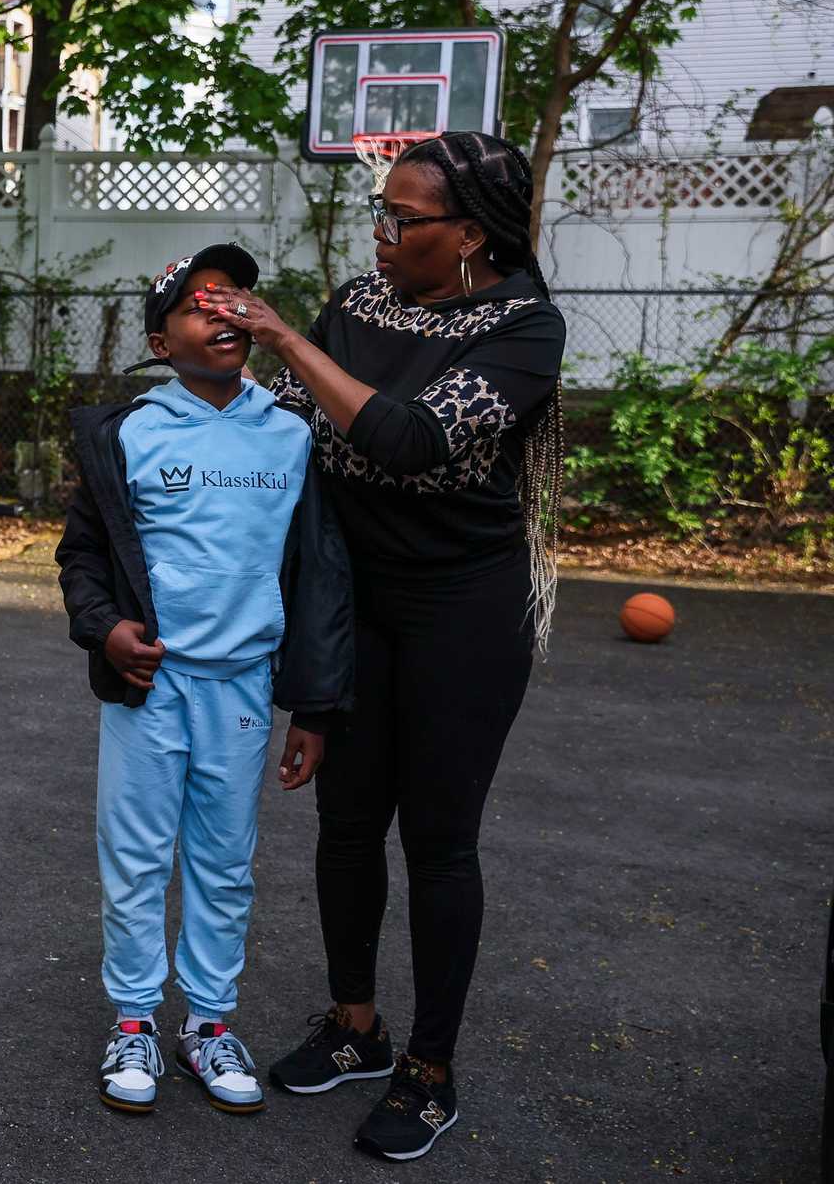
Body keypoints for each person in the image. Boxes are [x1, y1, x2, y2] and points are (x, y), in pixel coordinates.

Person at [203, 131, 566, 1162]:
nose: (382, 231)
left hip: (461, 606)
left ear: (468, 236)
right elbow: (292, 420)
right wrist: (180, 390)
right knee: (346, 821)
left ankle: (430, 1070)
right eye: (382, 209)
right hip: (350, 598)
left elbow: (405, 435)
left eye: (404, 220)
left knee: (439, 841)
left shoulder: (522, 326)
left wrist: (284, 339)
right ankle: (355, 1025)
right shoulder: (358, 305)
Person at [56, 243, 353, 1119]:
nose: (222, 315)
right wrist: (105, 629)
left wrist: (315, 702)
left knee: (225, 865)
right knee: (138, 858)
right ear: (159, 339)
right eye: (198, 304)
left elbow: (316, 575)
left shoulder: (291, 433)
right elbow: (82, 556)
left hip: (243, 690)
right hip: (151, 690)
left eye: (235, 300)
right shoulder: (126, 435)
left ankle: (210, 1023)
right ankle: (137, 1020)